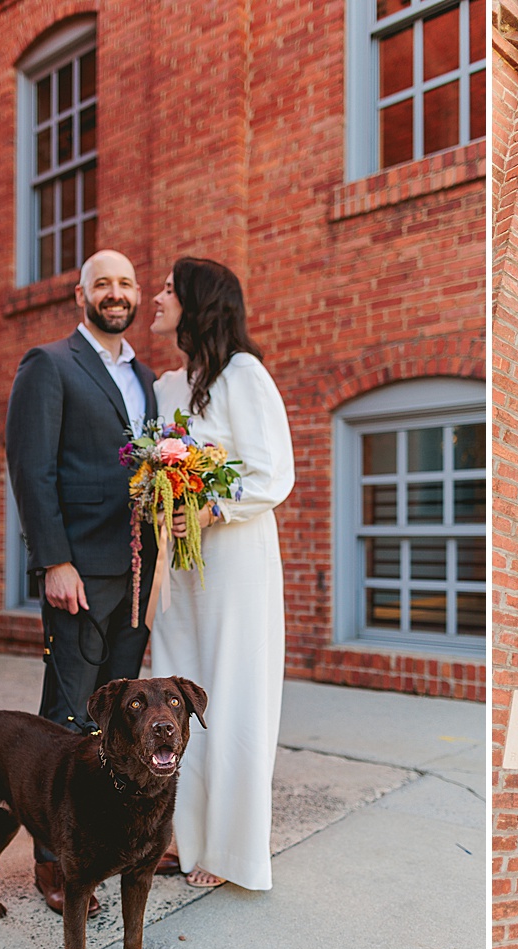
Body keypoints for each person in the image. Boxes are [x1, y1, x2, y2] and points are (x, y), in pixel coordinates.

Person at [5, 249, 159, 915]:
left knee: (122, 720)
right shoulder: (50, 364)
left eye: (125, 283)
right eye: (103, 284)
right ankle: (53, 860)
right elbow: (31, 467)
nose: (115, 293)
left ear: (136, 293)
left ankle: (111, 841)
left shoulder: (146, 377)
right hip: (79, 572)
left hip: (138, 573)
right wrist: (54, 560)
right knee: (67, 718)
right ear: (81, 294)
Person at [147, 256, 295, 890]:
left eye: (168, 290)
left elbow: (272, 474)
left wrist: (210, 509)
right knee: (175, 693)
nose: (156, 297)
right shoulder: (165, 387)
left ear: (198, 303)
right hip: (178, 567)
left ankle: (232, 853)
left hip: (234, 558)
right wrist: (163, 500)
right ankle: (183, 837)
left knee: (231, 694)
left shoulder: (245, 376)